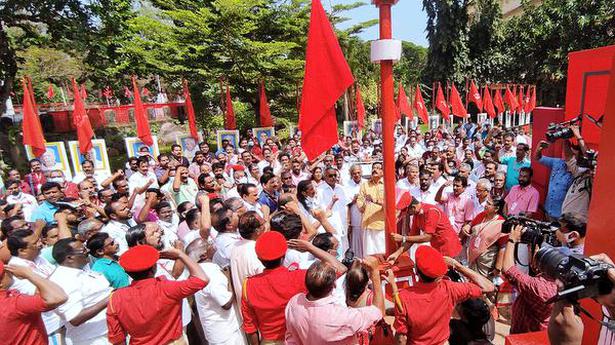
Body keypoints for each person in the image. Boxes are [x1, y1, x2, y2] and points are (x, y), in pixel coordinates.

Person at [241, 231, 347, 345]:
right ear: (284, 255)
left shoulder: (248, 285)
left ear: (259, 258)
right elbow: (340, 268)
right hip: (297, 339)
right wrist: (309, 247)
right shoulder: (299, 277)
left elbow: (250, 327)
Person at [106, 244, 209, 345]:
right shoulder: (167, 288)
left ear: (127, 273)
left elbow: (117, 339)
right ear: (154, 268)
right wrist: (180, 254)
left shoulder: (115, 298)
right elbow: (202, 279)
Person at [393, 246, 495, 345]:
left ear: (416, 270)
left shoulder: (403, 297)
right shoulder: (449, 289)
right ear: (439, 276)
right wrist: (458, 266)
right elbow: (488, 286)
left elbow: (401, 339)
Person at [284, 258, 384, 345]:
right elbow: (378, 312)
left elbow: (291, 339)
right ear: (334, 285)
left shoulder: (294, 303)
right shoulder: (341, 317)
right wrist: (375, 273)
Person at [49, 238, 112, 345]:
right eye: (83, 250)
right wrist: (110, 298)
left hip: (109, 332)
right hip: (92, 339)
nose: (87, 251)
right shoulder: (63, 280)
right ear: (70, 258)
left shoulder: (83, 269)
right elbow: (75, 318)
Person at [186, 238, 246, 345]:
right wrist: (229, 278)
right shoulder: (210, 273)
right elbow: (226, 303)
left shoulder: (199, 271)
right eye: (208, 244)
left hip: (218, 331)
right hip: (226, 334)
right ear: (203, 256)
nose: (212, 244)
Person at [502, 224, 558, 334]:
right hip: (541, 333)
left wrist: (512, 240)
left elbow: (508, 269)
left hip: (525, 334)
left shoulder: (539, 287)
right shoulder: (561, 282)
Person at [0, 262, 68, 345]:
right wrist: (29, 274)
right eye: (5, 270)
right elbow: (59, 297)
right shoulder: (13, 303)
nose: (9, 272)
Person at [389, 196, 463, 259]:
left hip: (450, 249)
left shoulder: (431, 211)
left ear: (413, 207)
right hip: (438, 248)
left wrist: (403, 238)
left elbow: (427, 237)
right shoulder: (417, 215)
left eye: (407, 212)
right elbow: (411, 238)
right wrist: (396, 254)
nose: (408, 214)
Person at [230, 211, 265, 307]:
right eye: (263, 223)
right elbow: (264, 278)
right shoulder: (256, 250)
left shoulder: (236, 246)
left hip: (245, 306)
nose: (265, 224)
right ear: (257, 230)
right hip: (257, 306)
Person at [466, 196, 507, 279]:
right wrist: (467, 226)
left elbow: (502, 247)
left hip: (486, 259)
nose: (485, 205)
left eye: (489, 204)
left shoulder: (501, 223)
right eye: (487, 202)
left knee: (482, 283)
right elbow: (471, 225)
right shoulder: (481, 215)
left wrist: (497, 268)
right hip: (473, 256)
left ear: (496, 209)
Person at [535, 140, 574, 220]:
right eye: (565, 150)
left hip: (563, 215)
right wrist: (539, 149)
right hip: (548, 210)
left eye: (568, 151)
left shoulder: (577, 169)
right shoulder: (557, 162)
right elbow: (538, 158)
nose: (566, 153)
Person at [357, 162, 385, 256]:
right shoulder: (365, 185)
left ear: (382, 172)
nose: (375, 170)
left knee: (382, 254)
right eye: (373, 168)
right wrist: (366, 202)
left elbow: (390, 205)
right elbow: (360, 207)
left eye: (378, 168)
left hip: (382, 225)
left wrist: (374, 201)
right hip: (368, 225)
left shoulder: (387, 185)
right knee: (369, 255)